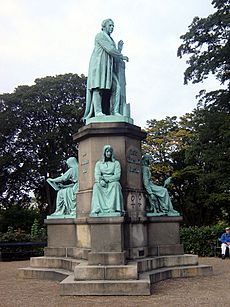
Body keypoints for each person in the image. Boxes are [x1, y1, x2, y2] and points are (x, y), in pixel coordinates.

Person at [84, 19, 129, 120]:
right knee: (98, 87)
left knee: (117, 87)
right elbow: (109, 49)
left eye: (113, 26)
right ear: (104, 26)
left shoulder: (111, 39)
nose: (112, 28)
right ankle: (98, 111)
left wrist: (119, 49)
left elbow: (113, 52)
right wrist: (121, 55)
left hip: (108, 68)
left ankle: (115, 111)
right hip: (99, 65)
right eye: (110, 25)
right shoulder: (100, 36)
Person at [90, 145, 124, 216]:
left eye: (110, 152)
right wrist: (100, 181)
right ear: (104, 152)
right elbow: (97, 174)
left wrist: (107, 179)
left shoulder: (116, 163)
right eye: (107, 151)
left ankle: (113, 208)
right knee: (96, 186)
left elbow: (117, 176)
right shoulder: (99, 164)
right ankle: (97, 209)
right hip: (102, 182)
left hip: (112, 181)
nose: (108, 153)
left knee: (116, 185)